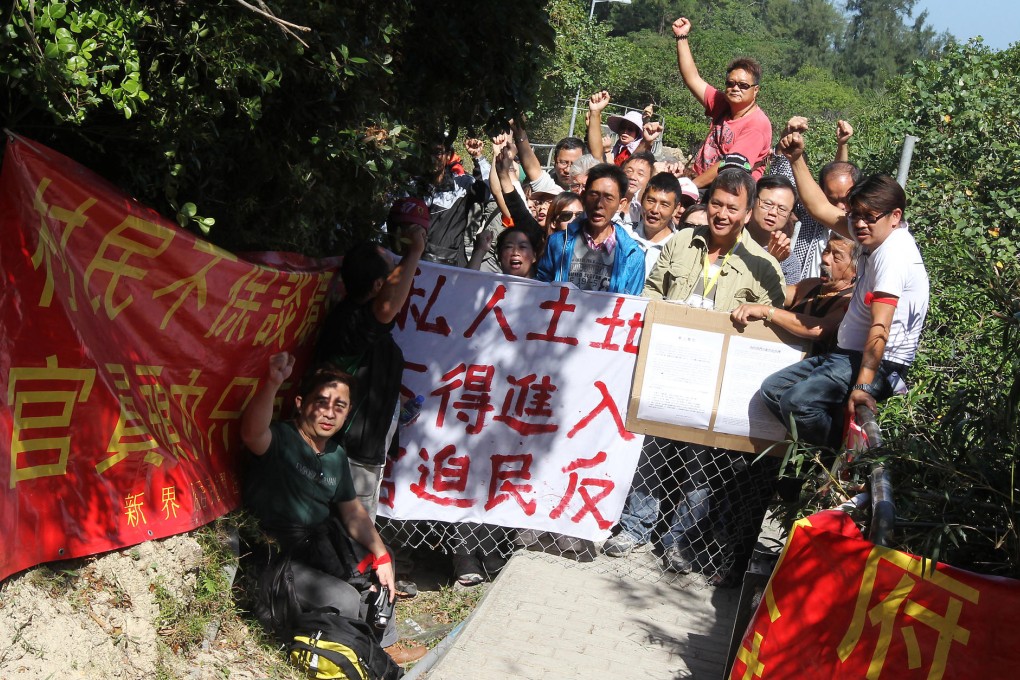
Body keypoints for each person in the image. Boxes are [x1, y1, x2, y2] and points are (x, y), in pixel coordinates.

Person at [606, 169, 786, 573]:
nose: (722, 214)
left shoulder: (764, 266)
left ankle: (679, 542)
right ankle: (636, 527)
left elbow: (769, 331)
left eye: (732, 208)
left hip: (716, 385)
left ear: (749, 211)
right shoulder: (681, 242)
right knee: (653, 451)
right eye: (717, 204)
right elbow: (651, 292)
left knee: (699, 464)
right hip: (668, 369)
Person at [240, 354, 424, 663]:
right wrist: (272, 384)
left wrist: (380, 556)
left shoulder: (336, 455)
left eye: (339, 406)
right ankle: (347, 656)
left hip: (318, 549)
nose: (329, 413)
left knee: (381, 559)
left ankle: (385, 644)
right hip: (275, 560)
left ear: (348, 412)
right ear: (300, 403)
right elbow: (252, 433)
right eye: (321, 403)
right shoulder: (283, 439)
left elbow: (352, 513)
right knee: (343, 597)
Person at [761, 151, 929, 449]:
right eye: (856, 215)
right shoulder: (876, 235)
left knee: (798, 403)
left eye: (869, 217)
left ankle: (836, 456)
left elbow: (881, 327)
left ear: (895, 217)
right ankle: (828, 446)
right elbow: (819, 207)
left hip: (878, 363)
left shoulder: (893, 256)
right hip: (845, 354)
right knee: (773, 390)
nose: (860, 224)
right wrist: (798, 158)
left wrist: (863, 386)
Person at [315, 209, 427, 521]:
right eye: (394, 271)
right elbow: (388, 308)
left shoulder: (361, 323)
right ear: (379, 285)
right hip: (347, 450)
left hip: (367, 446)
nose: (400, 275)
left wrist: (397, 404)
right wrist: (415, 249)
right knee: (351, 527)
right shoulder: (351, 323)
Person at [672, 17, 773, 187]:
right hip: (699, 183)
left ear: (755, 90)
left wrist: (690, 188)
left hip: (725, 192)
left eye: (743, 85)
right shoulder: (723, 104)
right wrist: (682, 37)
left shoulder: (757, 124)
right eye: (730, 83)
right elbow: (692, 78)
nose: (735, 88)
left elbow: (729, 165)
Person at [731, 232, 858, 354]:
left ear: (855, 269)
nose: (825, 259)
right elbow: (771, 292)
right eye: (826, 251)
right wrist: (773, 259)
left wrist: (767, 311)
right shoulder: (809, 285)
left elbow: (819, 329)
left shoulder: (851, 300)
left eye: (836, 257)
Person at [535, 163, 646, 295]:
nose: (599, 204)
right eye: (593, 195)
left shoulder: (632, 256)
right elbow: (541, 291)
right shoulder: (558, 243)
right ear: (583, 196)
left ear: (621, 204)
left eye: (608, 198)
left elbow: (630, 306)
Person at [417, 135, 491, 267]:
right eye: (427, 152)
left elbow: (487, 191)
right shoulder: (412, 186)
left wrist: (478, 157)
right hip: (417, 266)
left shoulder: (462, 184)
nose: (432, 158)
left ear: (448, 155)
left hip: (452, 266)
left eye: (438, 152)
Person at [744, 175, 804, 283]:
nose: (773, 212)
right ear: (752, 201)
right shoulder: (729, 238)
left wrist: (773, 261)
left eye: (782, 209)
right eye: (767, 204)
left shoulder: (788, 263)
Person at [624, 172, 682, 278]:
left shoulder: (679, 247)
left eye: (664, 205)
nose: (655, 210)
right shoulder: (624, 234)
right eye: (650, 201)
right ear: (642, 200)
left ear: (676, 209)